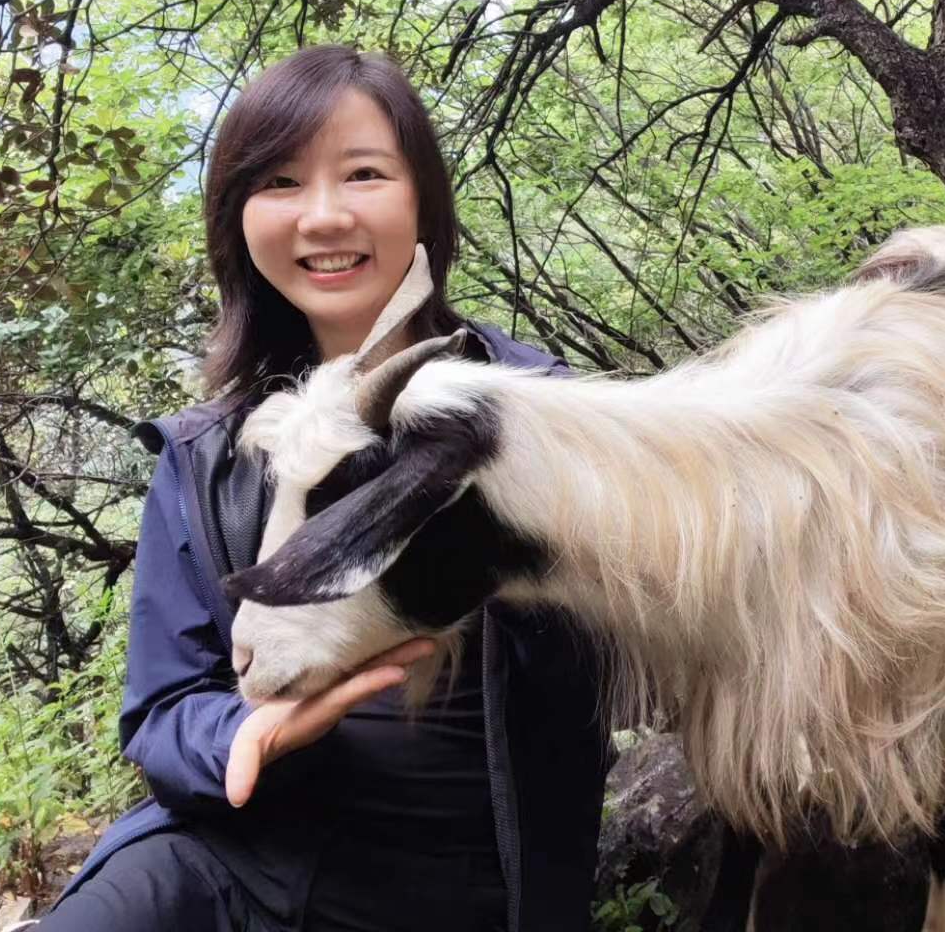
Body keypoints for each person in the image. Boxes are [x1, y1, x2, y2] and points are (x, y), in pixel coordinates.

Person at [32, 46, 613, 932]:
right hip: (229, 868)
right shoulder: (204, 456)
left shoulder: (538, 414)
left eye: (364, 173)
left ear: (422, 198)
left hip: (473, 886)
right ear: (238, 217)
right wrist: (243, 734)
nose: (324, 216)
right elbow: (163, 710)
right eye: (279, 182)